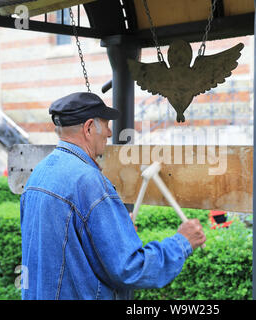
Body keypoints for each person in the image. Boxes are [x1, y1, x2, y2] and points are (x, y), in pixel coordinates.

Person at [20, 92, 206, 300]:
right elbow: (129, 269)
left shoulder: (40, 173)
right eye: (106, 124)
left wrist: (114, 232)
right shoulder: (88, 181)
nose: (109, 133)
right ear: (89, 127)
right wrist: (182, 242)